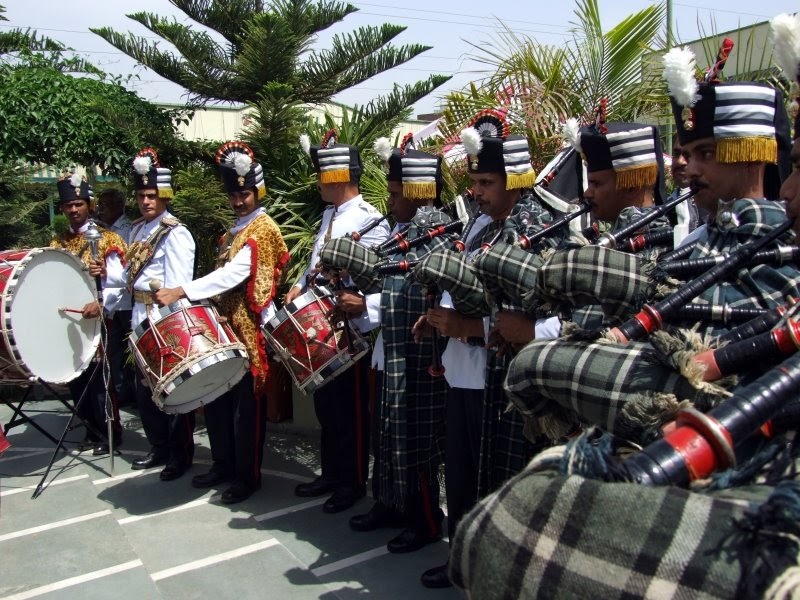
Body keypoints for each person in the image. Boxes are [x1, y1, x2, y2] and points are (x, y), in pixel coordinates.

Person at [448, 15, 800, 599]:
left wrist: (553, 327)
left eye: (705, 153)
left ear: (752, 152)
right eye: (685, 153)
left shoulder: (754, 236)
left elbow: (698, 335)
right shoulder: (709, 235)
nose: (686, 167)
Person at [411, 109, 560, 588]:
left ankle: (494, 571)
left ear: (516, 180)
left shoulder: (539, 227)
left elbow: (533, 315)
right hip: (463, 369)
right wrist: (438, 317)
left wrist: (468, 324)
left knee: (496, 479)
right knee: (460, 473)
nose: (476, 192)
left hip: (500, 378)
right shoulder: (478, 222)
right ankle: (463, 558)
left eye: (487, 182)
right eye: (474, 181)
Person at [319, 134, 452, 552]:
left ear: (418, 193)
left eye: (397, 194)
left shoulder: (438, 234)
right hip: (387, 347)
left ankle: (425, 518)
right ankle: (390, 502)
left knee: (417, 436)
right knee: (386, 431)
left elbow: (420, 294)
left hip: (419, 351)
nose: (390, 201)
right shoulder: (397, 228)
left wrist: (365, 304)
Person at [154, 141, 289, 504]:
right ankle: (223, 463)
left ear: (257, 191)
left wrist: (181, 290)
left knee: (247, 408)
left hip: (249, 329)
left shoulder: (263, 228)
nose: (238, 200)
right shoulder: (233, 230)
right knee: (217, 398)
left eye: (244, 193)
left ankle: (248, 476)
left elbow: (233, 274)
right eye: (233, 193)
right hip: (224, 325)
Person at [287, 129, 390, 513]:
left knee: (350, 411)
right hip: (323, 325)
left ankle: (351, 482)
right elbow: (316, 263)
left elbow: (374, 274)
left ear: (337, 177)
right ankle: (331, 473)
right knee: (327, 407)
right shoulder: (331, 215)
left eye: (321, 175)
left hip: (350, 328)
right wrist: (299, 285)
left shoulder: (368, 219)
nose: (317, 182)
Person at [98, 148, 197, 480]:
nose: (146, 201)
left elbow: (180, 282)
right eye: (141, 195)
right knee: (143, 389)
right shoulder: (138, 230)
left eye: (152, 195)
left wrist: (172, 319)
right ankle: (159, 447)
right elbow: (128, 276)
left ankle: (180, 454)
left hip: (163, 316)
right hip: (138, 314)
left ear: (164, 196)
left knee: (170, 388)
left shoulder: (175, 232)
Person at [51, 173, 127, 455]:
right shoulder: (57, 243)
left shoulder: (108, 239)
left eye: (79, 204)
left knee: (100, 381)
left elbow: (120, 285)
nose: (73, 210)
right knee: (76, 379)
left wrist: (102, 303)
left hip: (99, 320)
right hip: (69, 321)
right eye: (69, 205)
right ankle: (91, 429)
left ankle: (109, 433)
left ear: (89, 205)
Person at [96, 188, 135, 409]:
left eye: (107, 205)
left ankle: (134, 392)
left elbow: (128, 266)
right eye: (100, 205)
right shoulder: (101, 230)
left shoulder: (128, 228)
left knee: (130, 349)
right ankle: (120, 391)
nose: (102, 210)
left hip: (127, 299)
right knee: (114, 350)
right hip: (112, 301)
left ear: (120, 206)